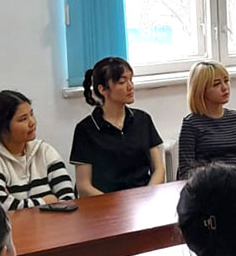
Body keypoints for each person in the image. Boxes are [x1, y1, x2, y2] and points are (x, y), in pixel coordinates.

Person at [70, 57, 165, 196]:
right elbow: (84, 186)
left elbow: (159, 170)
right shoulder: (86, 130)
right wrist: (115, 204)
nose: (130, 86)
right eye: (122, 82)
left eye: (131, 80)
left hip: (143, 200)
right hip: (105, 203)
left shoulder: (143, 120)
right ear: (102, 89)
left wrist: (146, 195)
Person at [0, 91, 76, 209]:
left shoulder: (44, 151)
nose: (32, 122)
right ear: (3, 127)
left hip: (55, 221)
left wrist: (22, 204)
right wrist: (46, 201)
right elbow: (2, 208)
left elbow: (68, 199)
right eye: (23, 119)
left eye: (31, 114)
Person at [176, 61, 236, 180]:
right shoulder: (191, 124)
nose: (225, 87)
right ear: (201, 90)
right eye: (216, 84)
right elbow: (185, 171)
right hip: (208, 185)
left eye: (226, 81)